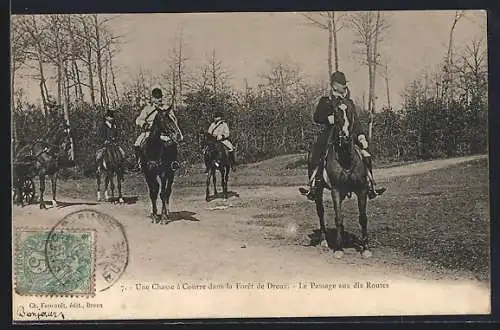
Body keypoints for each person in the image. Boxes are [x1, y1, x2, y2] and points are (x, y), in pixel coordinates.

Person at [300, 71, 386, 201]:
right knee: (316, 152)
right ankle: (314, 185)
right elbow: (316, 117)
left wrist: (361, 135)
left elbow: (355, 122)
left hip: (349, 133)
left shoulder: (349, 102)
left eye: (345, 84)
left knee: (365, 152)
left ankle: (369, 185)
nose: (345, 86)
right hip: (330, 133)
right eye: (342, 84)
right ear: (334, 85)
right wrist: (327, 119)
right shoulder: (325, 101)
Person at [133, 85, 183, 170]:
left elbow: (173, 121)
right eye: (156, 97)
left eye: (160, 97)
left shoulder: (166, 108)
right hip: (149, 132)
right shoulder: (147, 109)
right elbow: (138, 119)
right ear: (152, 98)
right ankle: (139, 163)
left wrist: (177, 133)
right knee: (137, 143)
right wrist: (144, 124)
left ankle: (174, 162)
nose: (158, 99)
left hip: (164, 133)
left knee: (172, 144)